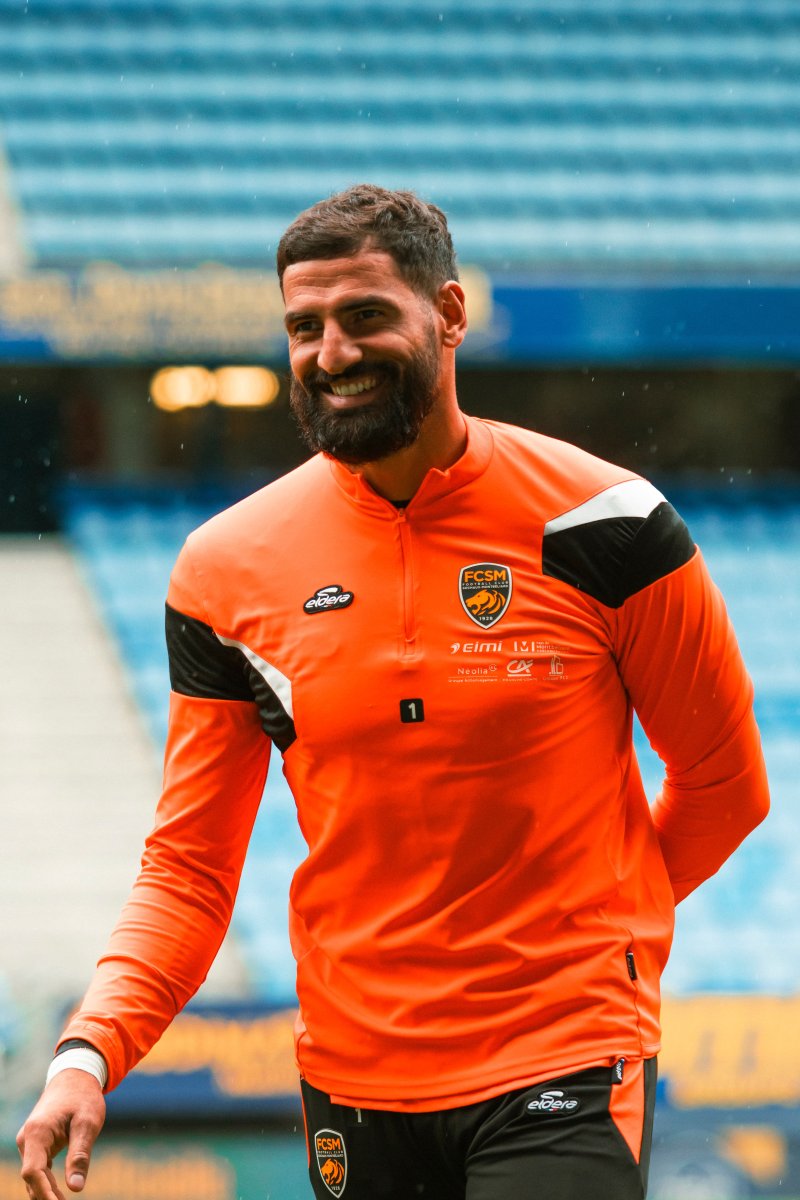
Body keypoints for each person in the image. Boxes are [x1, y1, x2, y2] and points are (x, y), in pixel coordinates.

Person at [18, 184, 769, 1200]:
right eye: (305, 327)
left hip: (563, 1053)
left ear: (449, 314)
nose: (332, 353)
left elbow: (725, 786)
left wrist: (578, 939)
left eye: (365, 315)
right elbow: (190, 868)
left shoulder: (609, 524)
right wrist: (88, 1052)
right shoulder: (223, 571)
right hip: (353, 1080)